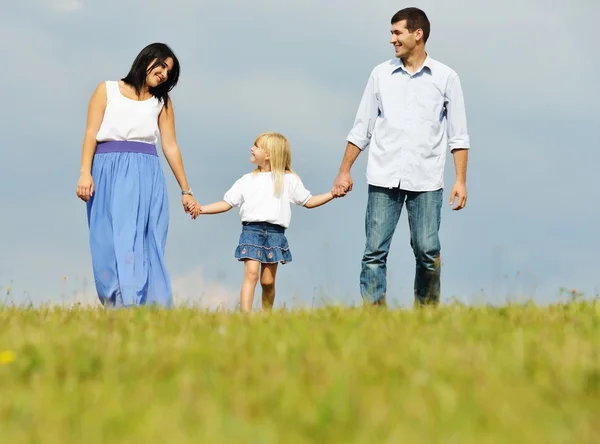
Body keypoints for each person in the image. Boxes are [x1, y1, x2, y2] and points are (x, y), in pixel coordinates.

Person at [331, 7, 471, 307]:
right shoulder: (380, 75)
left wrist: (460, 180)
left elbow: (458, 136)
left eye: (397, 33)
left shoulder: (446, 78)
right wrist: (344, 170)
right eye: (391, 33)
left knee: (428, 251)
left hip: (426, 180)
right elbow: (362, 127)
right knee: (373, 253)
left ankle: (427, 313)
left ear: (417, 34)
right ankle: (374, 317)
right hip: (384, 176)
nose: (392, 39)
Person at [75, 42, 198, 308]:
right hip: (106, 169)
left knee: (142, 239)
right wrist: (85, 173)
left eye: (169, 72)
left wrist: (186, 190)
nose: (164, 73)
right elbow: (90, 134)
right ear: (147, 58)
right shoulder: (106, 90)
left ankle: (139, 306)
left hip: (145, 173)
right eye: (162, 65)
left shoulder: (161, 101)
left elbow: (170, 146)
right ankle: (114, 302)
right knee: (105, 239)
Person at [190, 132, 338, 312]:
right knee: (251, 274)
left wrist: (332, 194)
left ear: (268, 154)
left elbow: (309, 201)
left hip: (275, 234)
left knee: (267, 282)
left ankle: (266, 316)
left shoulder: (288, 180)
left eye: (256, 146)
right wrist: (202, 209)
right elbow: (227, 203)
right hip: (251, 231)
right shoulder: (247, 180)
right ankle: (245, 318)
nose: (252, 149)